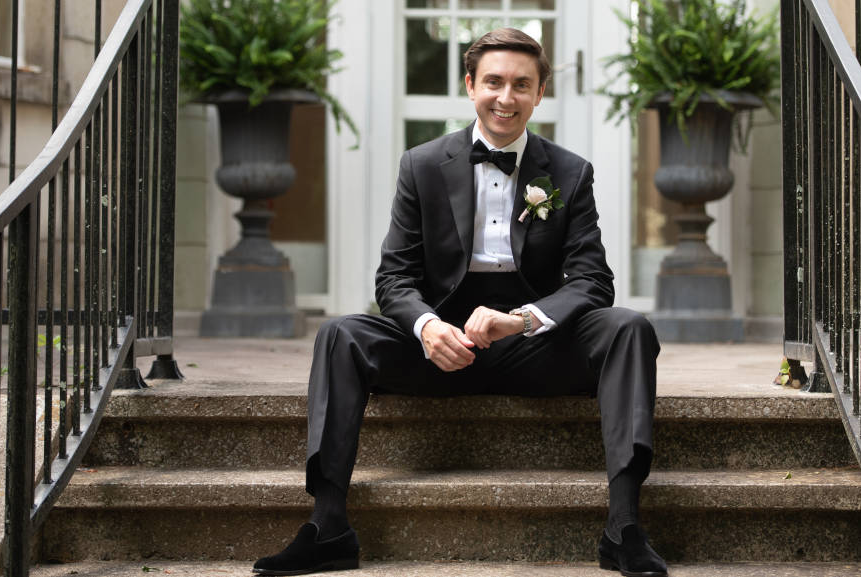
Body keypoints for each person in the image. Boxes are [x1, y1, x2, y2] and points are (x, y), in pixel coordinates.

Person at [252, 28, 666, 577]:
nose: (506, 97)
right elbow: (394, 277)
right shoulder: (422, 165)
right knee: (339, 334)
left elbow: (592, 281)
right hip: (441, 345)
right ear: (470, 85)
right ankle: (329, 527)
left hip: (532, 344)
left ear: (539, 93)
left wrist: (519, 321)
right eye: (493, 82)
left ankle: (624, 528)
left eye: (522, 84)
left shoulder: (570, 172)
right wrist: (426, 327)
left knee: (629, 328)